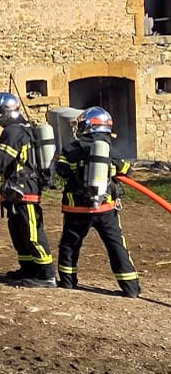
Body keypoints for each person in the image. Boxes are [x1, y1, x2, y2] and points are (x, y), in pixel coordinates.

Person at [54, 107, 141, 298]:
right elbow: (126, 170)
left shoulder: (71, 149)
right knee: (116, 246)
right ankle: (131, 288)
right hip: (105, 209)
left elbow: (61, 170)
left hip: (76, 208)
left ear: (87, 126)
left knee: (70, 245)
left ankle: (68, 283)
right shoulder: (110, 149)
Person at [0, 92, 56, 287]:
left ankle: (46, 275)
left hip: (25, 190)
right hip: (17, 190)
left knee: (32, 233)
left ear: (4, 111)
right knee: (19, 232)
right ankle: (29, 269)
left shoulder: (13, 132)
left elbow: (0, 164)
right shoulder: (20, 130)